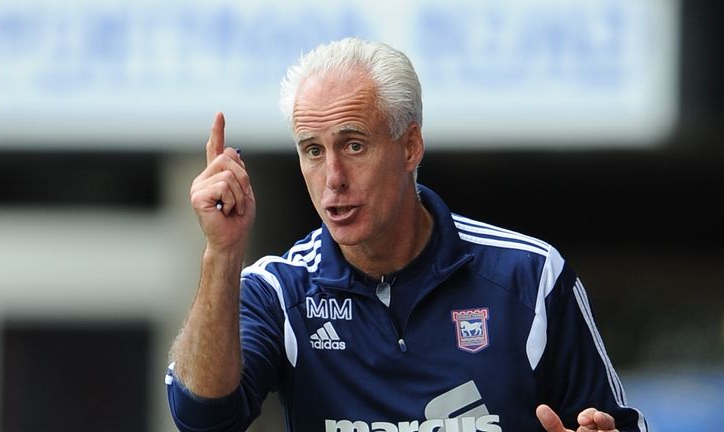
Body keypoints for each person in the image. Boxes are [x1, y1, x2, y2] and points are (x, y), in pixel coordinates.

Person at [165, 37, 647, 432]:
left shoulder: (530, 276)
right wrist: (223, 253)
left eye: (354, 145)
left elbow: (617, 425)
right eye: (313, 150)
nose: (333, 177)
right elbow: (203, 418)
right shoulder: (279, 291)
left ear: (410, 144)